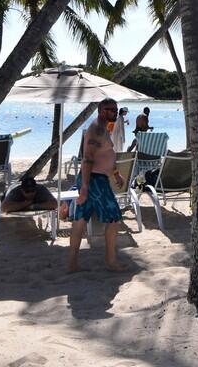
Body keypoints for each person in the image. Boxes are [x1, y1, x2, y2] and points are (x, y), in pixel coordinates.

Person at [68, 98, 126, 272]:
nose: (115, 112)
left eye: (116, 110)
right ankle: (111, 261)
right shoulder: (96, 130)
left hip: (96, 178)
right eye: (111, 110)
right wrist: (85, 187)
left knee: (81, 219)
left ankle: (72, 264)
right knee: (114, 218)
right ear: (101, 110)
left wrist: (115, 172)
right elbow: (87, 159)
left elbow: (106, 154)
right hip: (94, 180)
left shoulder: (103, 128)